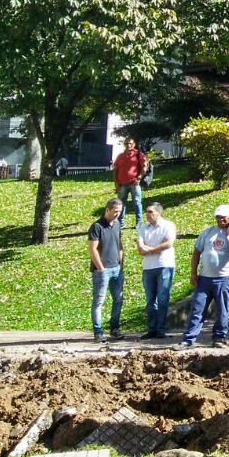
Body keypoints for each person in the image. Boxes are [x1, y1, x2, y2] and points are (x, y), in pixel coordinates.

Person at [178, 204, 229, 349]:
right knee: (197, 309)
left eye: (222, 217)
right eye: (217, 217)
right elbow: (197, 252)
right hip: (205, 278)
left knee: (222, 311)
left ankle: (219, 338)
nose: (220, 219)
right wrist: (193, 273)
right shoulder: (208, 232)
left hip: (223, 278)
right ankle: (188, 339)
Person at [137, 201, 177, 340]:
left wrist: (151, 249)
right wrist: (151, 249)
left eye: (150, 212)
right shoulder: (143, 228)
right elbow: (141, 248)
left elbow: (168, 243)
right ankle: (152, 328)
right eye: (146, 211)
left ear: (158, 213)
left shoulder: (168, 225)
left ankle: (161, 328)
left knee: (163, 298)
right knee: (150, 301)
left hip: (164, 265)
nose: (147, 214)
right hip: (148, 267)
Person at [88, 198, 126, 342]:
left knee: (118, 299)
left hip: (117, 268)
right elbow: (93, 249)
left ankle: (115, 328)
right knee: (99, 301)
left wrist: (121, 264)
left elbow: (119, 245)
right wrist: (101, 268)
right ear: (107, 210)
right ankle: (98, 332)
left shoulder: (117, 225)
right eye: (115, 211)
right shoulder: (97, 226)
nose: (118, 214)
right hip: (102, 270)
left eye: (120, 212)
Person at [112, 138, 149, 229]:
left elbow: (144, 167)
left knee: (137, 202)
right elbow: (115, 170)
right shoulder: (120, 156)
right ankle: (120, 223)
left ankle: (139, 222)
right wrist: (116, 183)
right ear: (124, 144)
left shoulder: (138, 155)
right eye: (126, 143)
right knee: (121, 203)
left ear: (134, 144)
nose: (128, 145)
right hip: (122, 184)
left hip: (134, 184)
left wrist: (139, 178)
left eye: (130, 143)